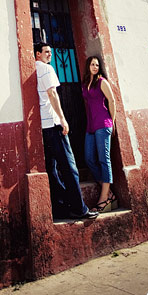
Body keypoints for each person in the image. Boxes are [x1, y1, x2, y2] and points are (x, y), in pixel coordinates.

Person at [34, 42, 99, 221]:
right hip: (53, 124)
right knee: (70, 168)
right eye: (46, 52)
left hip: (43, 127)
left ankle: (62, 207)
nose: (50, 55)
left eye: (51, 52)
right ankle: (79, 209)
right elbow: (52, 94)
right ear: (37, 54)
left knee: (52, 169)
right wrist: (62, 119)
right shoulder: (46, 69)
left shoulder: (34, 69)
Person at [82, 56, 118, 212]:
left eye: (97, 65)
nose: (95, 67)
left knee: (104, 159)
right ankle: (109, 193)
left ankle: (104, 198)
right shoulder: (85, 83)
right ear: (88, 66)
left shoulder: (102, 82)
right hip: (91, 125)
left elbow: (112, 100)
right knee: (89, 158)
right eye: (92, 64)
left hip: (103, 124)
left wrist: (112, 122)